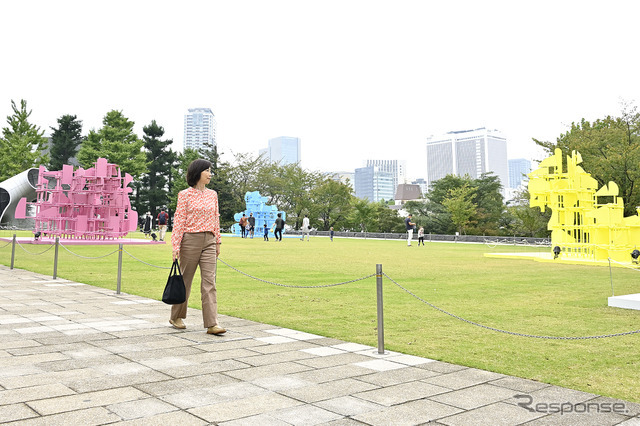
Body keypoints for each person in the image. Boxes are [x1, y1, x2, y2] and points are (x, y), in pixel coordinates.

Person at [170, 159, 226, 335]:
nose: (210, 174)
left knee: (209, 282)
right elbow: (179, 220)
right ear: (197, 173)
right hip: (190, 241)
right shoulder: (185, 195)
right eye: (207, 171)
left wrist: (217, 240)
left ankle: (212, 323)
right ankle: (176, 316)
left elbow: (216, 217)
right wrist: (175, 245)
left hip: (209, 240)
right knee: (185, 280)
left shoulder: (213, 195)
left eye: (210, 171)